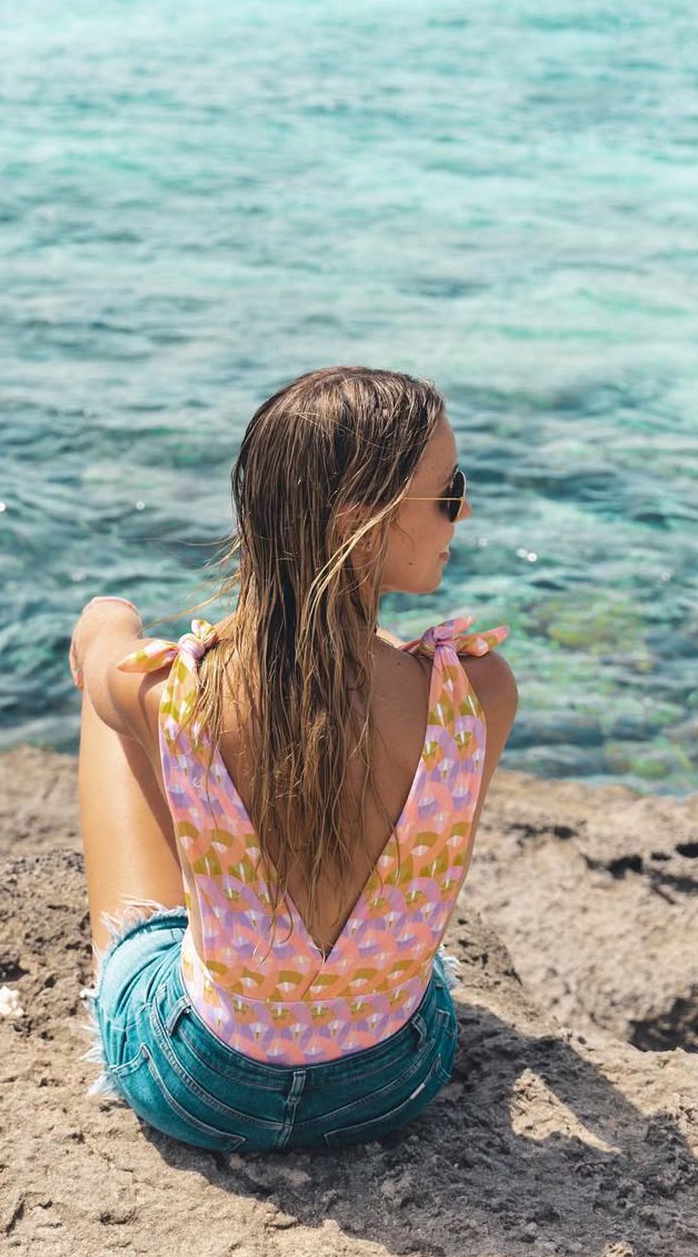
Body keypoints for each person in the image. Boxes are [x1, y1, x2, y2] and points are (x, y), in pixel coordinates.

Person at [69, 365, 517, 1152]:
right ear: (359, 523)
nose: (466, 510)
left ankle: (220, 959)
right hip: (389, 1083)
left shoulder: (177, 690)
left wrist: (113, 616)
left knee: (121, 706)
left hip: (204, 1091)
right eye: (449, 493)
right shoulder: (475, 693)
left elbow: (97, 648)